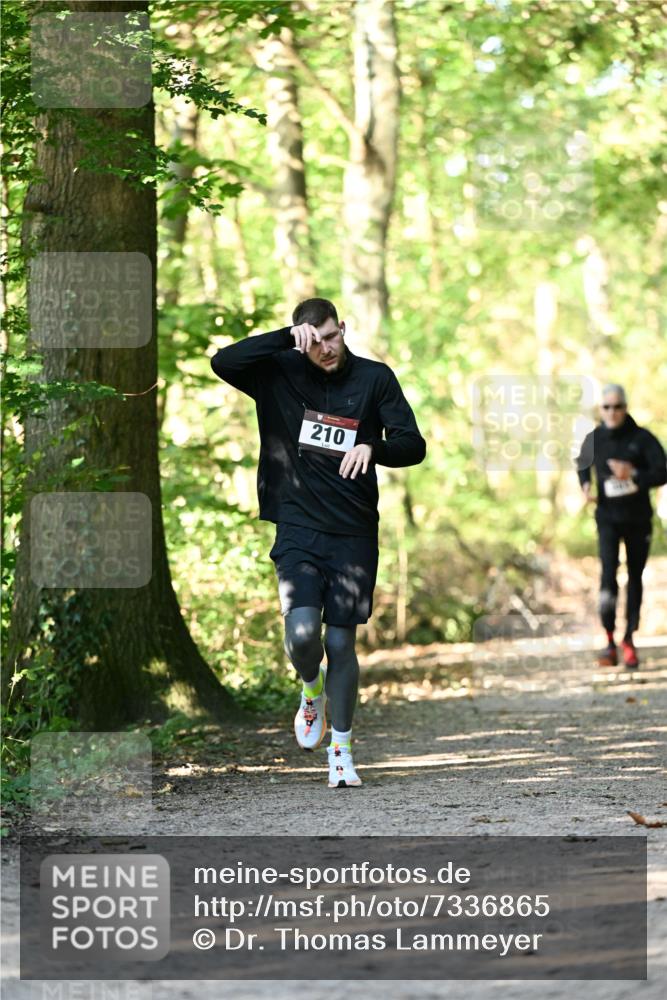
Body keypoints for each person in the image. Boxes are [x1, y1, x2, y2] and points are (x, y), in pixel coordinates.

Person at [210, 298, 426, 787]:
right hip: (298, 525)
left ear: (343, 328)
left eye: (332, 336)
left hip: (352, 532)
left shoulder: (374, 378)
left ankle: (342, 754)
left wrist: (376, 446)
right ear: (302, 337)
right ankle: (312, 692)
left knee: (340, 640)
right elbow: (224, 362)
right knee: (304, 635)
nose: (326, 348)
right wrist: (286, 339)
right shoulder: (280, 370)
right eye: (315, 340)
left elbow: (414, 443)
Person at [575, 384, 666, 668]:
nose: (612, 412)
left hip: (638, 519)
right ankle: (608, 640)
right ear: (600, 410)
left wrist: (634, 474)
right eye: (606, 407)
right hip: (607, 518)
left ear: (625, 408)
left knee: (635, 577)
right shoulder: (594, 438)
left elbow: (663, 471)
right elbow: (582, 463)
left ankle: (629, 638)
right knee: (608, 576)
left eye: (617, 407)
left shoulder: (642, 438)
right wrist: (586, 484)